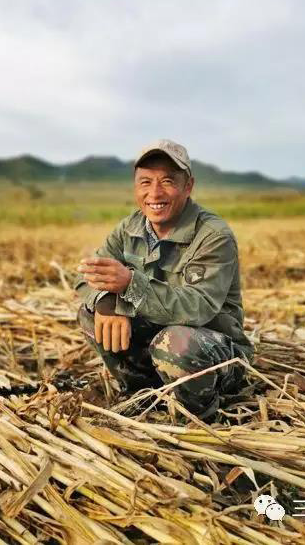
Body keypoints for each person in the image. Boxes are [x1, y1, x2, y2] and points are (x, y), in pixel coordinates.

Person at [74, 139, 253, 420]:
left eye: (167, 181)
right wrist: (107, 300)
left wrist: (129, 285)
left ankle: (200, 418)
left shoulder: (214, 236)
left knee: (175, 341)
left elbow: (198, 307)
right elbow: (86, 279)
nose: (154, 193)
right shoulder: (129, 227)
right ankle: (141, 395)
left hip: (212, 350)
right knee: (91, 313)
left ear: (188, 186)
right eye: (145, 182)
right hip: (157, 340)